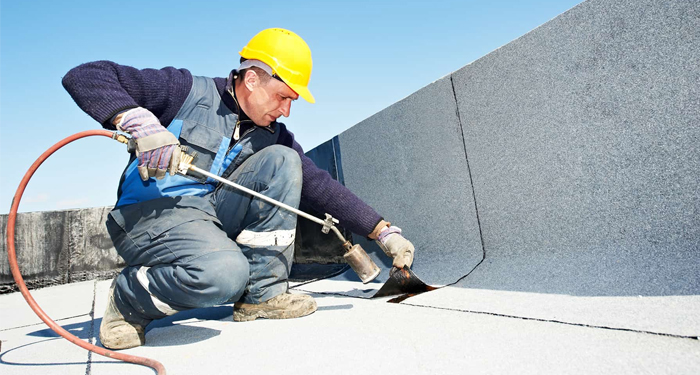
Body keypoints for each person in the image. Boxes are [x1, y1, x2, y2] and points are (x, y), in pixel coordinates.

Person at [62, 28, 415, 350]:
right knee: (224, 276)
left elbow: (320, 187)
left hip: (207, 216)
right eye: (282, 97)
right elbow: (85, 76)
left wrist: (383, 232)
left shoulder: (271, 134)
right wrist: (137, 120)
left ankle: (262, 295)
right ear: (252, 79)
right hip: (151, 214)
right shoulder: (185, 91)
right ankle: (128, 298)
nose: (286, 110)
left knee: (284, 161)